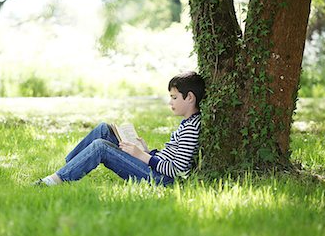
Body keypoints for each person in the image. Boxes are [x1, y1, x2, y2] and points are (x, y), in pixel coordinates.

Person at [34, 71, 205, 187]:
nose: (170, 102)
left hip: (160, 179)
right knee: (104, 129)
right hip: (155, 168)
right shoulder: (188, 123)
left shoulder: (191, 128)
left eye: (174, 97)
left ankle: (55, 180)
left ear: (189, 97)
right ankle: (70, 166)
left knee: (101, 146)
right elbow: (171, 157)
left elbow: (178, 170)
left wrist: (142, 155)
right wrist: (148, 151)